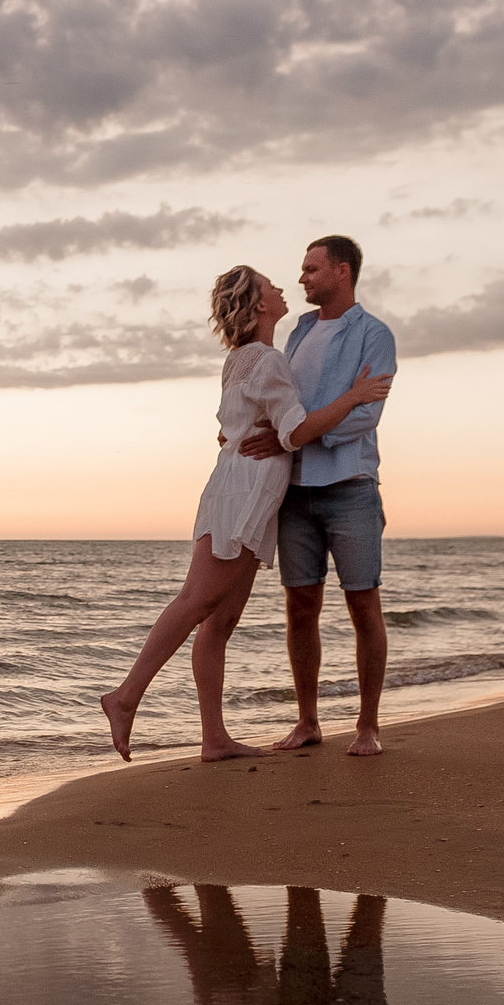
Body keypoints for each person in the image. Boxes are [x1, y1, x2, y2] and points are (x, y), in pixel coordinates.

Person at [98, 266, 394, 761]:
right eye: (270, 285)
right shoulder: (270, 359)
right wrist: (353, 397)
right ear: (259, 305)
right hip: (247, 493)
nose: (283, 288)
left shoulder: (241, 358)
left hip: (239, 489)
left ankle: (214, 739)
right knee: (197, 603)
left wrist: (270, 434)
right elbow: (295, 431)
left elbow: (238, 426)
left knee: (221, 620)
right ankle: (125, 697)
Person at [236, 235, 398, 756]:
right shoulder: (299, 331)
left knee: (363, 603)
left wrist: (301, 432)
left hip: (350, 486)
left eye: (311, 269)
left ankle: (367, 725)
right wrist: (265, 431)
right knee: (300, 606)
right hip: (295, 489)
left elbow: (367, 413)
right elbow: (280, 404)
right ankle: (307, 722)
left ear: (342, 271)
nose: (302, 278)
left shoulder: (374, 334)